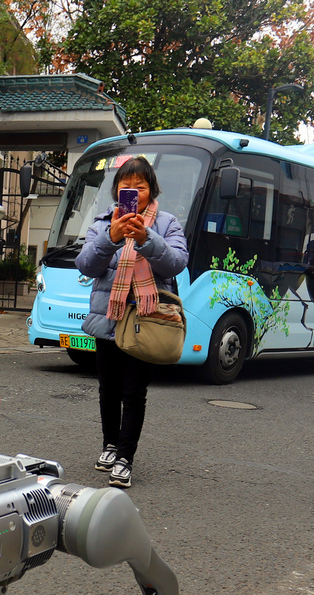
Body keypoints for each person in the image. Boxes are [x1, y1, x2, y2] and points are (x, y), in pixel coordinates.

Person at [75, 156, 188, 489]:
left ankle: (125, 458)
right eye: (127, 187)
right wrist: (109, 237)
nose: (134, 193)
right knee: (108, 389)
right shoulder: (102, 222)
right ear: (116, 191)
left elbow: (176, 264)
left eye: (140, 187)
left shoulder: (167, 224)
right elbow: (86, 265)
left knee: (134, 392)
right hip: (108, 317)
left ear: (151, 189)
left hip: (145, 318)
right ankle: (110, 445)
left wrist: (146, 239)